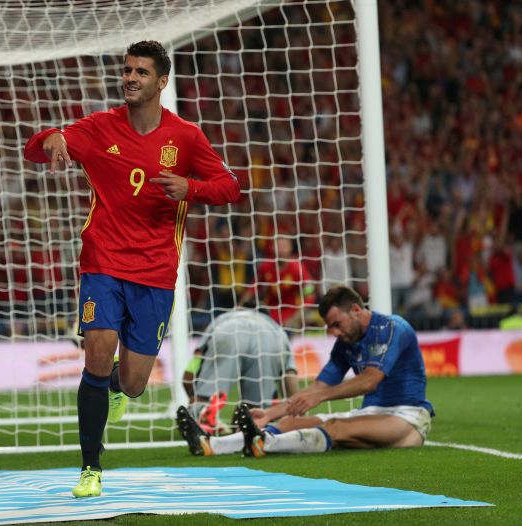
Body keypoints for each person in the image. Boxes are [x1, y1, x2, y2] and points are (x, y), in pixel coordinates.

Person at [23, 41, 240, 498]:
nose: (131, 78)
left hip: (155, 272)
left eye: (142, 72)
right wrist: (53, 137)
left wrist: (190, 188)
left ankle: (121, 382)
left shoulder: (186, 137)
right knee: (96, 354)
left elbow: (231, 188)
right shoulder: (99, 127)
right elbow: (35, 150)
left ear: (162, 81)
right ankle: (90, 467)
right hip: (102, 260)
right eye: (127, 70)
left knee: (135, 383)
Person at [179, 285, 433, 457]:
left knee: (335, 427)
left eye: (336, 324)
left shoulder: (392, 328)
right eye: (330, 327)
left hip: (407, 417)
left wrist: (319, 397)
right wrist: (269, 413)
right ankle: (211, 445)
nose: (333, 332)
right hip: (371, 413)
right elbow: (318, 387)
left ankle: (263, 444)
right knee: (290, 422)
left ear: (356, 310)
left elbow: (369, 381)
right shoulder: (345, 343)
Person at [180, 309, 298, 437]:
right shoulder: (277, 328)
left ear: (238, 308)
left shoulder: (224, 318)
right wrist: (296, 411)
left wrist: (195, 395)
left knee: (208, 394)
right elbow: (289, 374)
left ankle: (202, 414)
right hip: (270, 339)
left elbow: (195, 363)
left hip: (229, 331)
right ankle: (247, 423)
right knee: (257, 406)